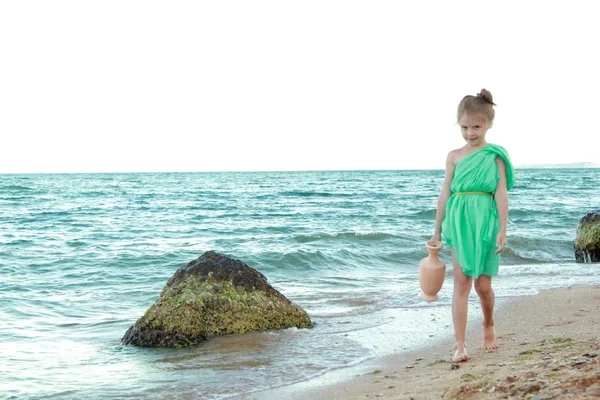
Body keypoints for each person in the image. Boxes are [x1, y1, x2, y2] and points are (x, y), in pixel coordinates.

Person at [432, 89, 515, 363]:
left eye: (476, 126)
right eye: (465, 127)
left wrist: (503, 228)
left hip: (486, 219)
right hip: (459, 219)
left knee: (483, 286)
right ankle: (459, 344)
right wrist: (437, 230)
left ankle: (488, 324)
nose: (470, 132)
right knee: (461, 283)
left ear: (488, 124)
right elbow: (445, 193)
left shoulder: (495, 156)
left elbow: (501, 193)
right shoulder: (454, 156)